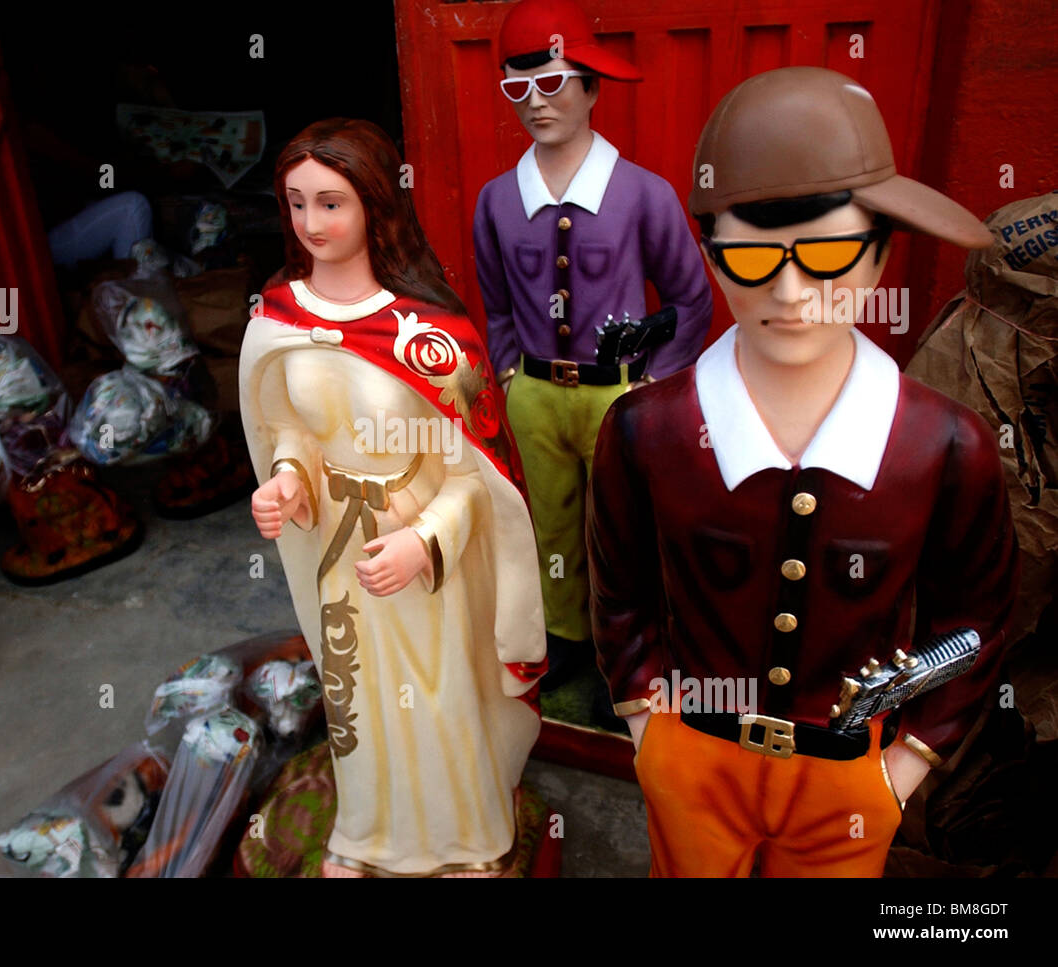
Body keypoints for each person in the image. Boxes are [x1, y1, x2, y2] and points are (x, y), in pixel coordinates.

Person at [588, 67, 1020, 876]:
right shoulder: (646, 429)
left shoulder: (945, 445)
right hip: (694, 760)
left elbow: (976, 619)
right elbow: (621, 591)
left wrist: (907, 765)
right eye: (749, 258)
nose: (790, 291)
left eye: (827, 253)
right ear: (710, 254)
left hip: (851, 775)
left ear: (884, 250)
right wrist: (650, 727)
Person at [240, 118, 545, 877]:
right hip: (340, 548)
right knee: (354, 696)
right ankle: (371, 833)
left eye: (332, 203)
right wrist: (286, 481)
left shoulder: (433, 336)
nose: (312, 224)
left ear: (376, 205)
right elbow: (289, 429)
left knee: (438, 694)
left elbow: (480, 478)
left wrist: (424, 542)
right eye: (297, 204)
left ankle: (465, 838)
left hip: (421, 552)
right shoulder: (278, 318)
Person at [473, 0, 712, 701]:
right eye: (518, 87)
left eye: (553, 83)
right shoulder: (496, 200)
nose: (536, 103)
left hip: (620, 393)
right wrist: (512, 373)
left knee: (623, 531)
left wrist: (656, 380)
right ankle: (566, 649)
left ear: (593, 86)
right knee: (548, 531)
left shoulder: (643, 193)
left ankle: (629, 659)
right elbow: (497, 303)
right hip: (537, 395)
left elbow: (690, 297)